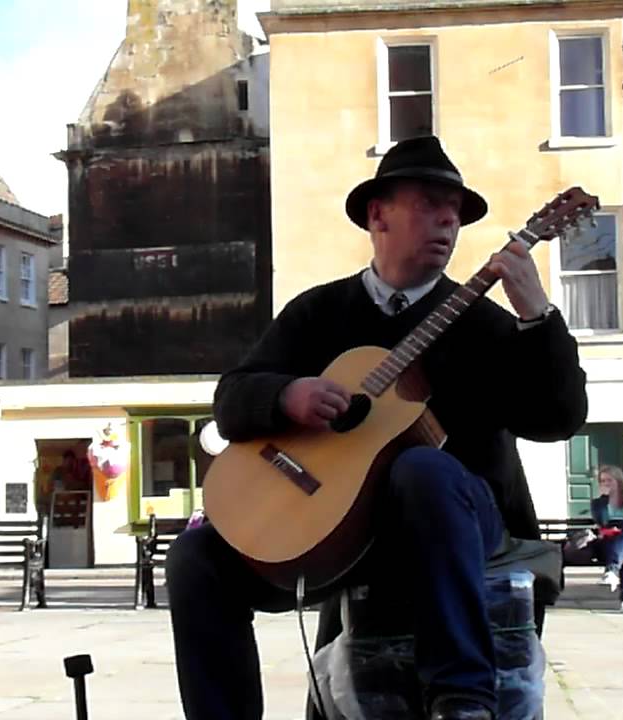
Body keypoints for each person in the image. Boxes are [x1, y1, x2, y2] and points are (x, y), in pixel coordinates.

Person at [165, 135, 589, 720]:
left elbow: (558, 419)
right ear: (377, 214)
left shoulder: (486, 323)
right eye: (428, 203)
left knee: (421, 466)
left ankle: (463, 700)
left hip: (461, 531)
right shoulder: (318, 313)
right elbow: (231, 398)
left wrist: (537, 316)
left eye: (456, 212)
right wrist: (286, 395)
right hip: (340, 532)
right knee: (196, 557)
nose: (447, 220)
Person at [590, 465, 623, 614]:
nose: (605, 484)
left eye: (609, 480)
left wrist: (618, 528)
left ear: (618, 481)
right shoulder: (598, 503)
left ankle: (612, 570)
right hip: (608, 543)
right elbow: (602, 522)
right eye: (602, 481)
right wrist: (606, 499)